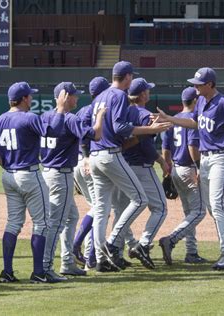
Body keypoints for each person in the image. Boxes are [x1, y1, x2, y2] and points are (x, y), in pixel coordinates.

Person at [157, 67, 224, 270]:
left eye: (199, 84)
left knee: (218, 206)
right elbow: (193, 123)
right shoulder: (201, 101)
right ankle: (175, 241)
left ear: (210, 85)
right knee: (210, 208)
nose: (195, 87)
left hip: (221, 158)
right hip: (206, 160)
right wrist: (171, 119)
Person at [88, 61, 171, 272]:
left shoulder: (100, 96)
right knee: (141, 199)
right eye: (131, 76)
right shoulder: (118, 95)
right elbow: (120, 128)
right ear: (127, 77)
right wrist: (149, 128)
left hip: (95, 154)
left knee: (101, 210)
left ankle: (100, 258)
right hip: (109, 153)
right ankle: (113, 243)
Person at [0, 81, 68, 283]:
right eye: (29, 96)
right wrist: (60, 109)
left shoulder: (0, 119)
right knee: (41, 223)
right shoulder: (29, 117)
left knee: (13, 223)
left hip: (9, 175)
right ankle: (38, 273)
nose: (31, 99)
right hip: (29, 174)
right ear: (24, 98)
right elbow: (54, 132)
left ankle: (7, 272)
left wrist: (7, 166)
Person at [40, 81, 106, 279]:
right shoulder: (70, 119)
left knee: (71, 217)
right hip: (60, 175)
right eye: (75, 95)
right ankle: (45, 267)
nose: (78, 98)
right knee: (57, 222)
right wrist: (101, 116)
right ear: (65, 95)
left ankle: (67, 262)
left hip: (48, 171)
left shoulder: (44, 116)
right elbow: (95, 135)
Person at [111, 78, 170, 269]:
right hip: (141, 167)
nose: (149, 93)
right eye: (148, 91)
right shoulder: (145, 115)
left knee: (122, 212)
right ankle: (143, 244)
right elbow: (145, 145)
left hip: (122, 167)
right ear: (143, 94)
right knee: (160, 207)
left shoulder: (123, 111)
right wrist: (161, 161)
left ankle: (116, 253)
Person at [159, 87, 207, 265]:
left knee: (189, 213)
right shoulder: (192, 119)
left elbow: (166, 149)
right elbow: (192, 147)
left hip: (176, 169)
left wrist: (167, 171)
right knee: (199, 212)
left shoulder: (174, 120)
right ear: (195, 101)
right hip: (189, 168)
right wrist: (198, 167)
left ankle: (192, 252)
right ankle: (171, 240)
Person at [72, 77, 110, 270]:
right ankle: (81, 249)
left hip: (78, 164)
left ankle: (88, 255)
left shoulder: (82, 110)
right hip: (88, 162)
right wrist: (86, 156)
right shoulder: (95, 110)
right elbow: (84, 138)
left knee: (96, 209)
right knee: (100, 209)